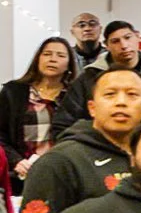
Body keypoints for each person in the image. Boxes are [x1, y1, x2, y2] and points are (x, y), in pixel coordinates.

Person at [10, 65, 141, 213]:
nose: (121, 102)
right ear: (92, 108)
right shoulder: (59, 162)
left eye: (132, 94)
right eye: (110, 94)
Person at [1, 39, 84, 188]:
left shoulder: (75, 96)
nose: (53, 59)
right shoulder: (13, 91)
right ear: (38, 59)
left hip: (62, 174)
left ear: (69, 64)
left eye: (60, 55)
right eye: (47, 54)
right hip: (20, 174)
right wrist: (16, 161)